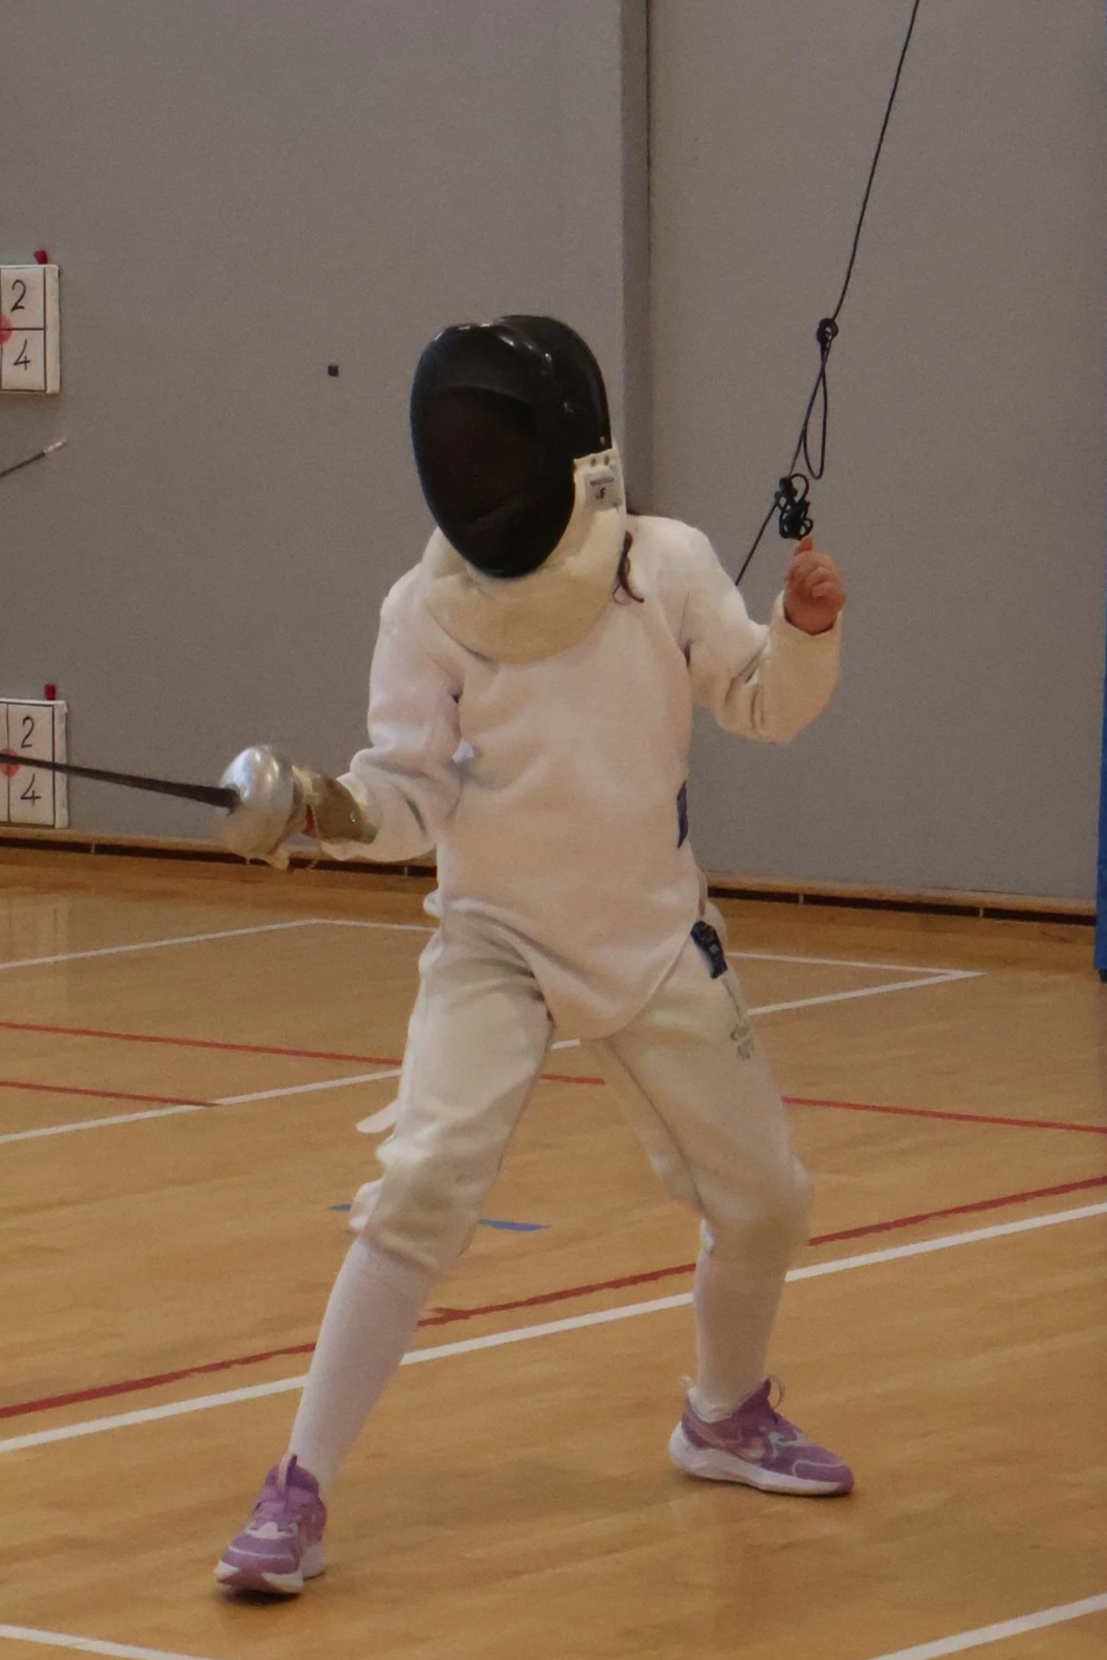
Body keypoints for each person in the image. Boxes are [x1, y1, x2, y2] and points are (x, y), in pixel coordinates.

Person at [213, 315, 850, 1597]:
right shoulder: (425, 610)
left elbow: (763, 704)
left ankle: (722, 1413)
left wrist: (804, 632)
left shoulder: (662, 568)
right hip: (495, 941)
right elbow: (403, 801)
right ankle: (299, 1484)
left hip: (652, 934)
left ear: (577, 457)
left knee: (769, 1198)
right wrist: (322, 810)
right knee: (423, 1183)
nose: (482, 483)